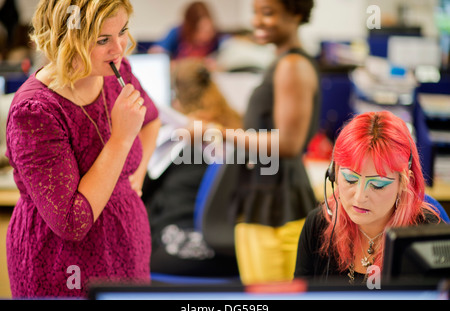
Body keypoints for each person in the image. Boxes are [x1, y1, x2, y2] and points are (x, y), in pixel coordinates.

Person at [5, 0, 160, 298]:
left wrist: (137, 177)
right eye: (103, 39)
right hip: (63, 262)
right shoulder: (35, 111)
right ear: (68, 40)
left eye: (123, 31)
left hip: (126, 245)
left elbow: (150, 120)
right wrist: (121, 139)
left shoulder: (118, 71)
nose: (119, 48)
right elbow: (71, 223)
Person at [226, 0, 320, 285]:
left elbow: (288, 144)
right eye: (255, 12)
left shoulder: (292, 65)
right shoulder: (280, 62)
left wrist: (216, 134)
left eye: (267, 13)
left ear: (295, 13)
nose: (258, 21)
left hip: (279, 209)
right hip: (263, 201)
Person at [294, 111, 442, 284]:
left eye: (377, 185)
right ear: (333, 173)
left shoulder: (429, 236)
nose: (359, 197)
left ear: (404, 182)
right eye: (350, 179)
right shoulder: (318, 226)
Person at [142, 58, 241, 277]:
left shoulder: (176, 136)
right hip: (231, 253)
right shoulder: (236, 128)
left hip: (177, 250)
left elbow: (140, 190)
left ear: (175, 97)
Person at [147, 1, 226, 64]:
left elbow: (233, 47)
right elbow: (154, 52)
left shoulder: (217, 38)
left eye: (210, 30)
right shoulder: (177, 33)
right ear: (190, 28)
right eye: (201, 30)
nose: (206, 36)